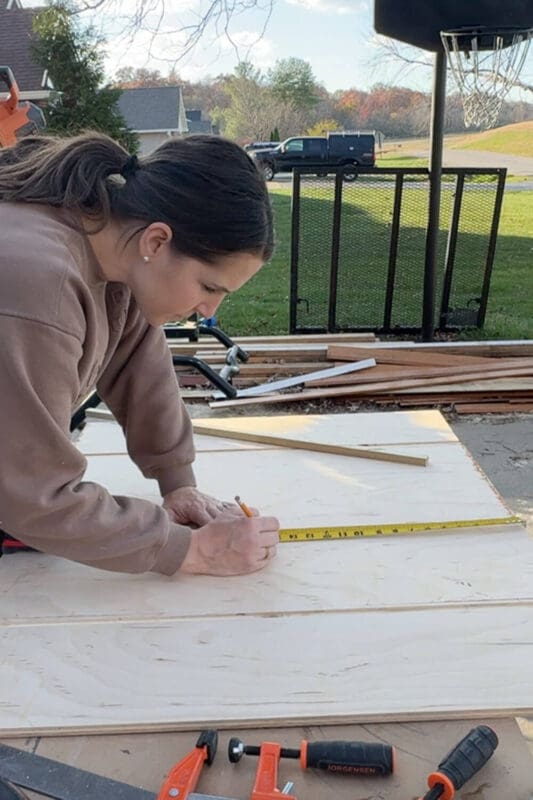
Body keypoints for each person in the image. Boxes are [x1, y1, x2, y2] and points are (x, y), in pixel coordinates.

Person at [0, 131, 280, 576]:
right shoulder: (37, 284)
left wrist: (178, 484)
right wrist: (197, 551)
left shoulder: (110, 253)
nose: (209, 310)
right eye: (209, 287)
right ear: (155, 242)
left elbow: (140, 369)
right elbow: (32, 496)